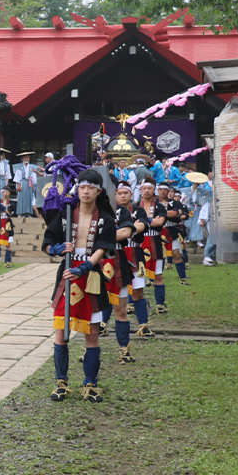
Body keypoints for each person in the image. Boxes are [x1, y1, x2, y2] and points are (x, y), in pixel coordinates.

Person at [42, 169, 116, 403]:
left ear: (98, 191)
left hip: (90, 276)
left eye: (91, 187)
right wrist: (56, 249)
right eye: (82, 187)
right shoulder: (65, 215)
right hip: (66, 275)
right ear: (77, 189)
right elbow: (47, 242)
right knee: (61, 332)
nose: (86, 191)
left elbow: (103, 247)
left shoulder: (106, 217)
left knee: (92, 333)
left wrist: (84, 268)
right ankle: (61, 382)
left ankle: (90, 384)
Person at [110, 181, 150, 354]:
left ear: (131, 195)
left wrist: (126, 229)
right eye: (120, 193)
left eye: (126, 193)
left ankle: (143, 324)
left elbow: (140, 226)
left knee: (138, 291)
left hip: (134, 252)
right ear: (115, 195)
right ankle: (103, 324)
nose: (123, 196)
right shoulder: (108, 211)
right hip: (114, 254)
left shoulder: (138, 210)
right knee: (109, 294)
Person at [134, 179, 169, 318]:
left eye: (149, 188)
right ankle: (132, 303)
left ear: (153, 190)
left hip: (154, 241)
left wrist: (143, 221)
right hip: (139, 241)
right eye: (144, 188)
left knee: (158, 275)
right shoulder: (136, 206)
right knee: (136, 274)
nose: (147, 191)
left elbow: (160, 221)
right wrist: (150, 221)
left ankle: (160, 303)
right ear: (141, 190)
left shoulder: (159, 207)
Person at [160, 183, 191, 285]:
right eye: (161, 189)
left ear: (169, 192)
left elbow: (179, 214)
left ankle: (183, 278)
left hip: (172, 229)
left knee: (176, 254)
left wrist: (162, 214)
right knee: (158, 255)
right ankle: (152, 279)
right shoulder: (154, 203)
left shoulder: (175, 203)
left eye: (165, 190)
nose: (163, 192)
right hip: (158, 230)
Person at [13, 152, 41, 217]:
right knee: (21, 198)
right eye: (25, 158)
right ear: (22, 159)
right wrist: (19, 185)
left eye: (27, 158)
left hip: (29, 183)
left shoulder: (31, 167)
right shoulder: (19, 167)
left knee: (29, 198)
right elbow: (17, 177)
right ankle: (20, 213)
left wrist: (34, 185)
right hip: (22, 182)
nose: (26, 159)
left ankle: (28, 213)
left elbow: (33, 176)